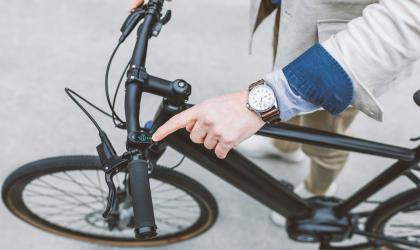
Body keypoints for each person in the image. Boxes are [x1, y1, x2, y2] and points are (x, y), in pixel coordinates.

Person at [129, 0, 420, 225]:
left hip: (342, 44)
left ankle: (320, 188)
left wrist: (265, 100)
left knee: (324, 134)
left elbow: (410, 14)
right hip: (296, 13)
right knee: (284, 73)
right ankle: (285, 146)